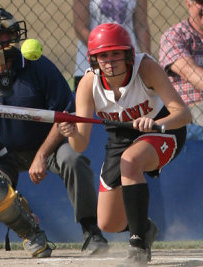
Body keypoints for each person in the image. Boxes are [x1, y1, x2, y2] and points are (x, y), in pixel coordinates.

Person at [0, 7, 109, 256]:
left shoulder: (38, 66)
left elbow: (64, 112)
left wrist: (42, 155)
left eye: (4, 34)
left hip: (48, 145)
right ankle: (29, 231)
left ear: (16, 35)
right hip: (4, 152)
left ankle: (91, 231)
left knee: (73, 161)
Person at [58, 23, 191, 266]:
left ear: (128, 54)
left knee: (130, 161)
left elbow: (183, 114)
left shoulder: (145, 68)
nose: (109, 61)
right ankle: (145, 227)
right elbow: (79, 145)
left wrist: (153, 122)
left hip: (163, 131)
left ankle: (139, 244)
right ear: (94, 59)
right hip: (120, 140)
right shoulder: (89, 84)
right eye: (103, 55)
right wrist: (71, 133)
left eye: (116, 53)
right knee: (109, 223)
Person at [73, 0, 151, 90]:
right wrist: (103, 52)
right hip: (91, 64)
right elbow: (80, 27)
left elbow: (141, 26)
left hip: (127, 63)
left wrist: (147, 59)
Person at [159, 0, 203, 139]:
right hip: (189, 113)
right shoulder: (174, 35)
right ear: (188, 4)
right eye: (200, 2)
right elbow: (190, 72)